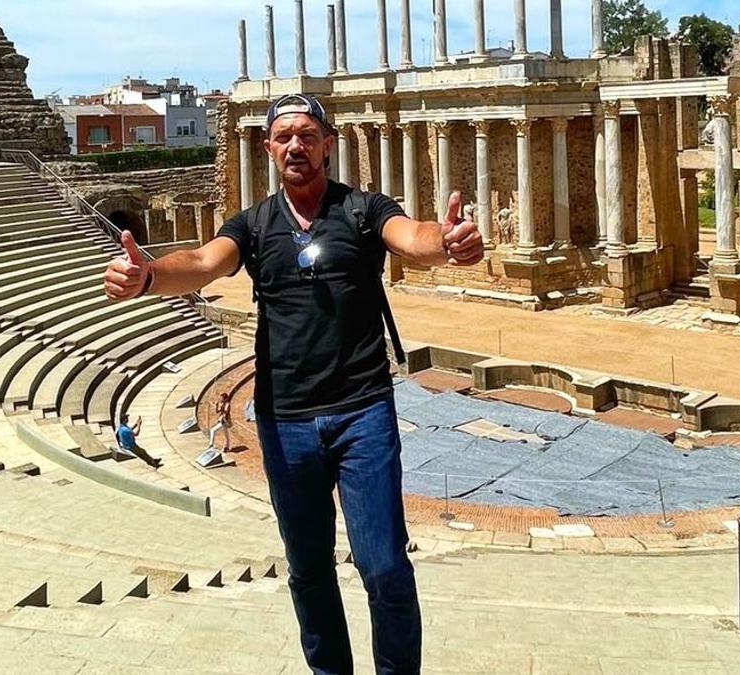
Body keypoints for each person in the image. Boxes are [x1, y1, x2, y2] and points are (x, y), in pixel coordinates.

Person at [104, 93, 484, 674]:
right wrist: (149, 274)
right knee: (308, 569)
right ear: (269, 148)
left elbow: (413, 238)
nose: (295, 146)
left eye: (307, 134)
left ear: (329, 144)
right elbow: (204, 262)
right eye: (284, 136)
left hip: (363, 412)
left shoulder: (361, 209)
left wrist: (449, 240)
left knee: (384, 566)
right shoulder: (254, 226)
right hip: (285, 420)